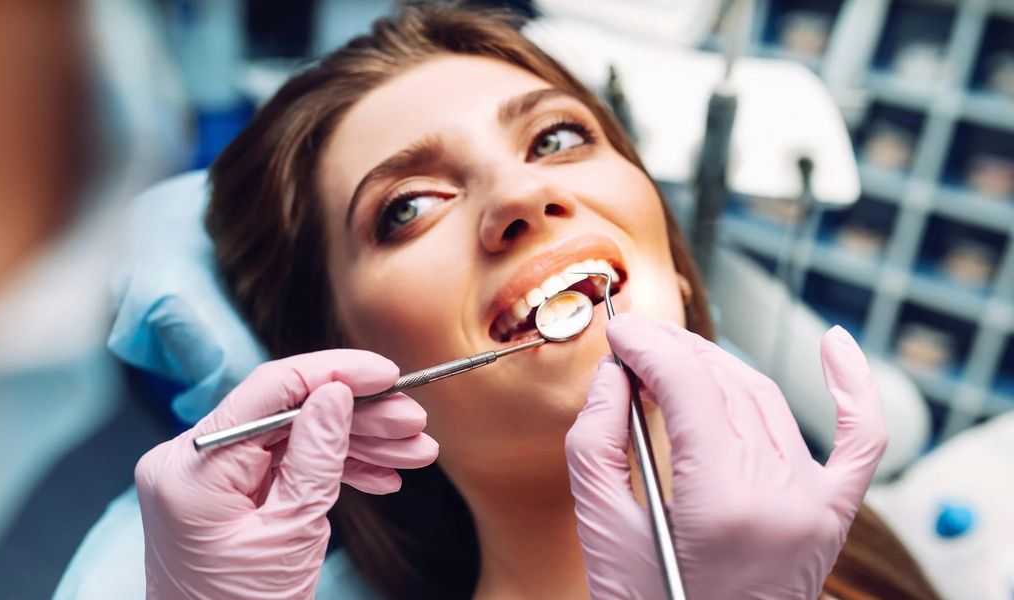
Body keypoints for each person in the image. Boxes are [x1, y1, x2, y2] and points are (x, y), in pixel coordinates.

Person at [131, 5, 941, 599]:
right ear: (339, 379)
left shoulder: (857, 558)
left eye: (556, 138)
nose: (522, 192)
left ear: (679, 269)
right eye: (407, 207)